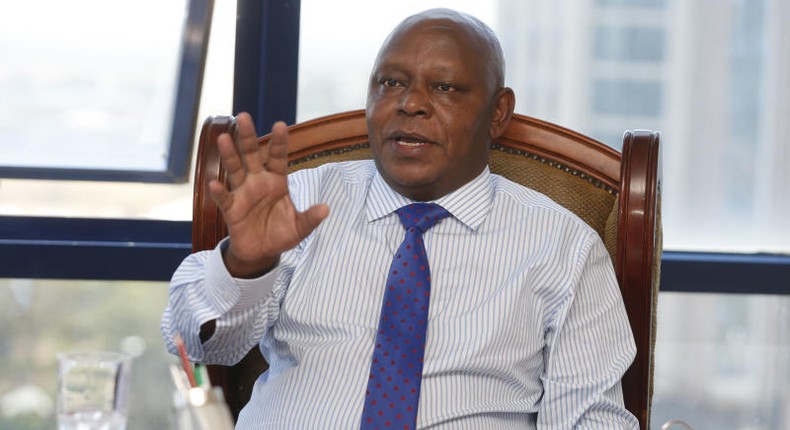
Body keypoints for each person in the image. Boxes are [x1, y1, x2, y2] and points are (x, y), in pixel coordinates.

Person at [162, 8, 638, 429]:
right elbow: (199, 347)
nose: (410, 103)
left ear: (498, 113)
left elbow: (589, 419)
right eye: (391, 83)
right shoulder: (303, 201)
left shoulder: (564, 246)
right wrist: (244, 264)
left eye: (445, 87)